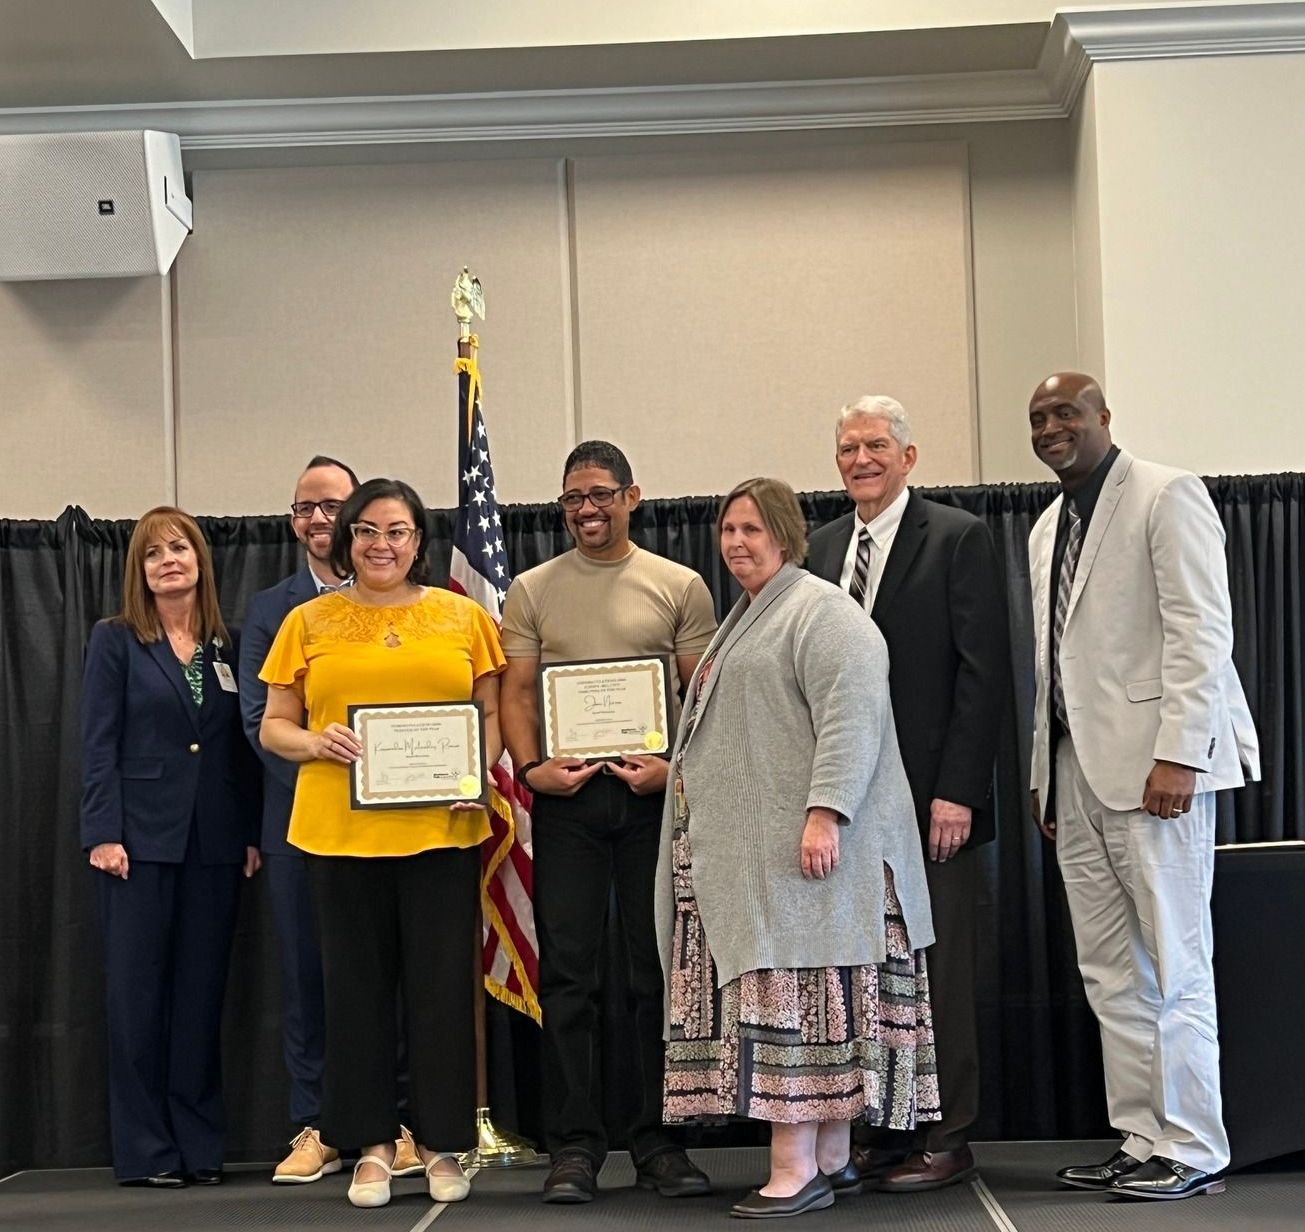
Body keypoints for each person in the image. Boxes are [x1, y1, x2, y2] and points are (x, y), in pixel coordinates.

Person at [656, 477, 938, 1219]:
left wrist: (825, 814)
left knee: (806, 1002)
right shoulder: (750, 615)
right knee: (817, 999)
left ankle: (794, 1170)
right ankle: (834, 1158)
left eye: (752, 529)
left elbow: (853, 719)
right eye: (727, 530)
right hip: (762, 860)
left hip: (812, 859)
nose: (737, 543)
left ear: (785, 534)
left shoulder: (822, 613)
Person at [1026, 372, 1259, 1200]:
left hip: (1157, 768)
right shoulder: (1047, 525)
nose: (1051, 427)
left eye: (1065, 413)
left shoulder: (1165, 493)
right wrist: (1039, 773)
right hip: (1072, 773)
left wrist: (1181, 754)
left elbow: (1202, 630)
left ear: (1101, 418)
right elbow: (1055, 660)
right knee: (1110, 972)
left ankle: (1193, 1144)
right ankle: (1140, 1135)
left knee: (1175, 962)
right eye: (1038, 418)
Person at [258, 476, 504, 1210]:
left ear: (418, 541)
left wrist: (478, 768)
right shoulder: (307, 621)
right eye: (366, 530)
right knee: (355, 996)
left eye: (396, 531)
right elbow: (273, 723)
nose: (380, 545)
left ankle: (439, 1146)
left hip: (440, 831)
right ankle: (369, 1146)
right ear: (345, 537)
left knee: (437, 997)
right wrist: (311, 741)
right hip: (340, 835)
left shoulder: (463, 618)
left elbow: (489, 708)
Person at [500, 440, 717, 1204]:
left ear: (632, 496)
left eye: (599, 494)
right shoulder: (530, 589)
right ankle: (574, 1147)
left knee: (654, 974)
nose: (586, 510)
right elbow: (518, 695)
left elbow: (702, 701)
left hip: (655, 800)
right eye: (571, 499)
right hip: (566, 805)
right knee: (569, 978)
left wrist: (675, 770)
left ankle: (661, 1142)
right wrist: (531, 772)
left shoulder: (679, 585)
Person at [806, 395, 1008, 1190]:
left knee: (938, 969)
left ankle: (945, 1134)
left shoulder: (958, 537)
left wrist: (957, 791)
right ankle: (882, 1133)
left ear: (908, 457)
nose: (860, 459)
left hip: (931, 805)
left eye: (876, 445)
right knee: (865, 974)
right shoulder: (819, 548)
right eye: (847, 447)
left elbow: (982, 674)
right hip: (846, 804)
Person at [237, 456, 422, 1183]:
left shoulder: (414, 602)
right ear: (295, 521)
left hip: (400, 828)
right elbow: (261, 719)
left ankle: (400, 1122)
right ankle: (318, 1126)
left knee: (394, 978)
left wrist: (395, 783)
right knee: (309, 982)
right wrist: (336, 785)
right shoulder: (270, 610)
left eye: (332, 507)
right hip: (302, 828)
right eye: (305, 507)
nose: (320, 519)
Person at [80, 507, 261, 1187]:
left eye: (178, 548)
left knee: (199, 998)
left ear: (199, 561)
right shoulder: (118, 640)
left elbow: (237, 749)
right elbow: (96, 743)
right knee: (137, 1000)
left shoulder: (226, 643)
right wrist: (102, 832)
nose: (168, 561)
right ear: (140, 571)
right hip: (138, 844)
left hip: (213, 845)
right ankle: (147, 1151)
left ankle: (198, 1146)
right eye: (153, 554)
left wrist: (246, 831)